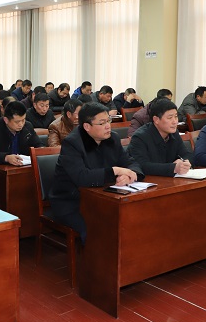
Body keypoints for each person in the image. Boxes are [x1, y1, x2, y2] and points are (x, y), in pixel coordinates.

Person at [49, 102, 144, 243]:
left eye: (108, 121)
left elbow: (131, 162)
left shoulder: (112, 138)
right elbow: (82, 177)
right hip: (72, 201)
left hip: (104, 197)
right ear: (87, 126)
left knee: (132, 219)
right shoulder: (72, 143)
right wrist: (116, 171)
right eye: (102, 123)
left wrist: (130, 174)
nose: (108, 126)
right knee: (97, 227)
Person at [128, 99, 193, 176]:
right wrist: (173, 168)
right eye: (170, 118)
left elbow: (186, 154)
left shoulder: (174, 133)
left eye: (176, 116)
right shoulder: (140, 137)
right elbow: (142, 166)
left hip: (170, 179)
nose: (175, 121)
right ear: (156, 120)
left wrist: (184, 162)